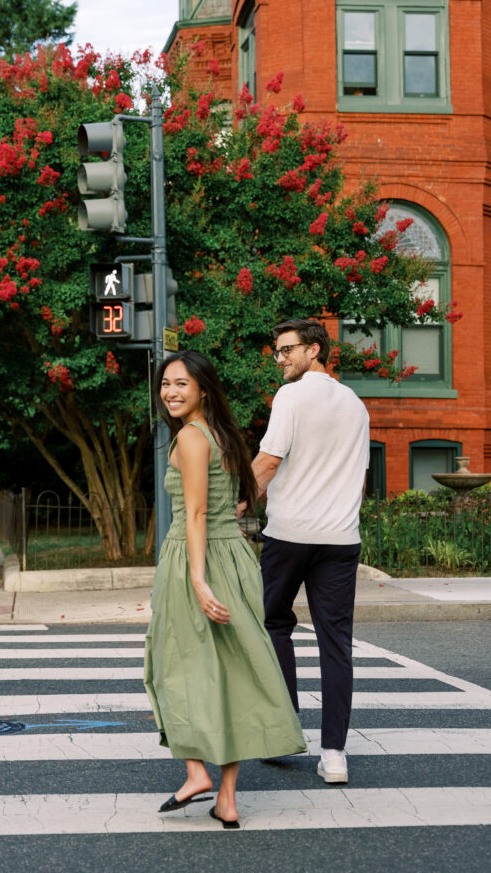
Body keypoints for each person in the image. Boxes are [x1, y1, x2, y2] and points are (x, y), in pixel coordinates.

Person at [144, 350, 306, 829]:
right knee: (231, 672)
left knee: (172, 665)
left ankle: (197, 773)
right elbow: (234, 501)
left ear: (203, 390)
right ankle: (226, 800)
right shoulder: (223, 436)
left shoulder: (192, 440)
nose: (170, 392)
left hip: (197, 558)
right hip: (232, 556)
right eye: (165, 384)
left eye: (181, 384)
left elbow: (193, 514)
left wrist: (196, 578)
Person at [247, 319, 370, 785]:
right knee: (335, 642)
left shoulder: (291, 397)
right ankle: (334, 754)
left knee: (273, 623)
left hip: (290, 533)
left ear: (313, 350)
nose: (279, 358)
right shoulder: (356, 404)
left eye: (286, 350)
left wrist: (233, 507)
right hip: (341, 538)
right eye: (276, 350)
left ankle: (283, 729)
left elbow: (268, 462)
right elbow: (359, 479)